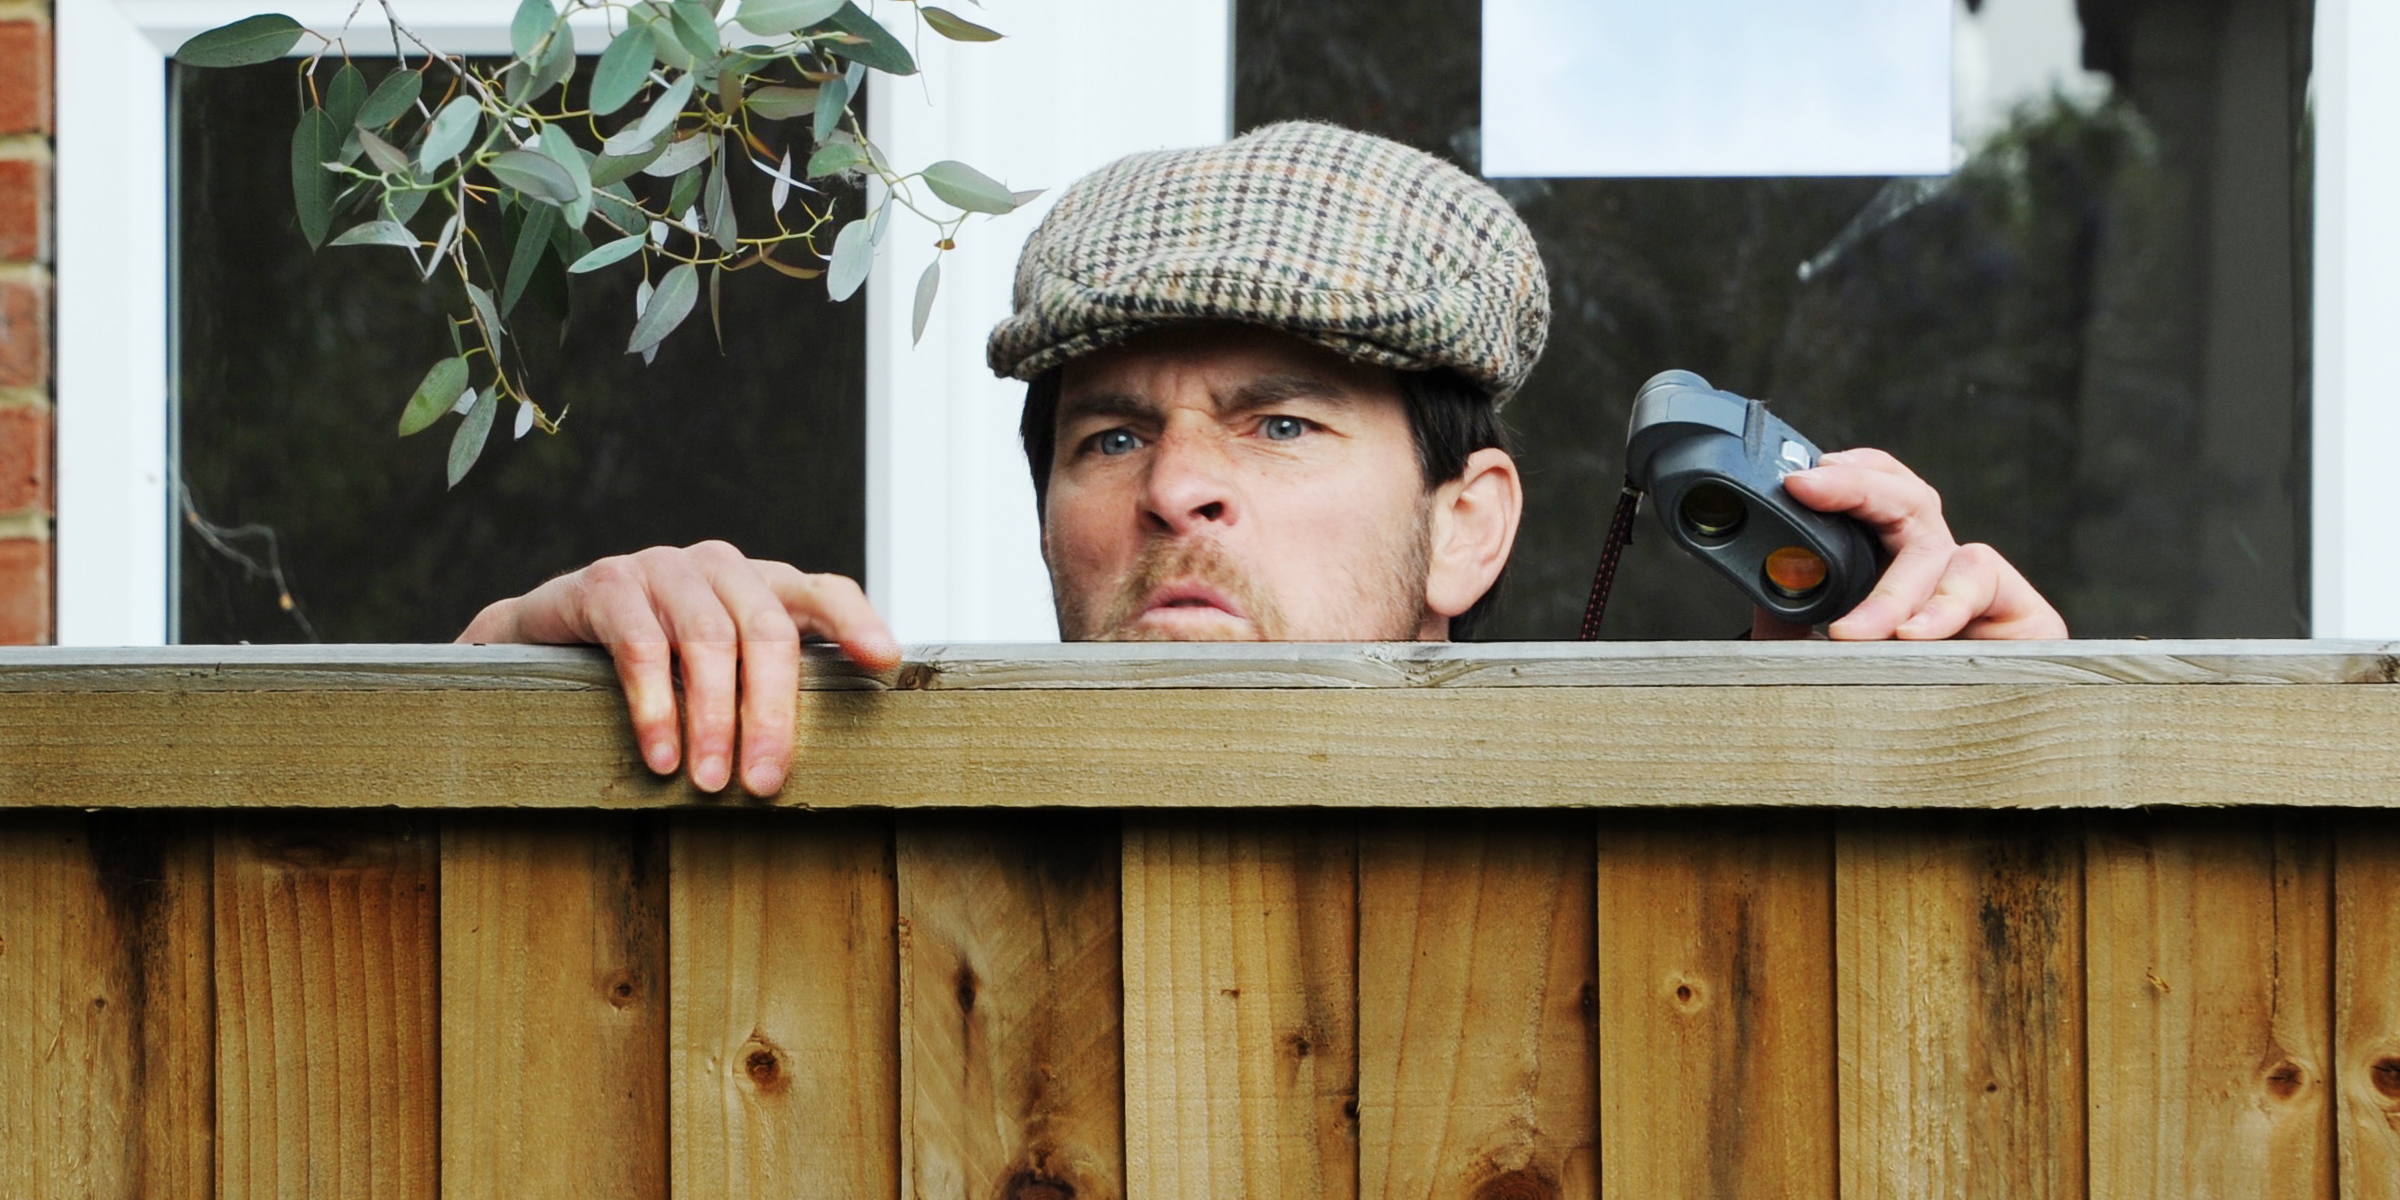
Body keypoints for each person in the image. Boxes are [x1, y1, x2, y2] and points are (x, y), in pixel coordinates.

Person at [459, 122, 2068, 797]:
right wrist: (527, 677)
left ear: (1469, 529)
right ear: (1047, 525)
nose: (1175, 487)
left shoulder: (1651, 888)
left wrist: (2027, 760)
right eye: (1112, 433)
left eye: (1281, 421)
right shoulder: (874, 843)